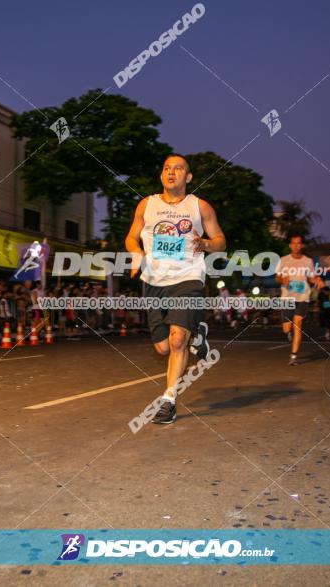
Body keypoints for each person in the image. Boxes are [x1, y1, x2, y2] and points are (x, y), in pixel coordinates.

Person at [125, 153, 226, 425]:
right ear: (161, 175)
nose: (172, 172)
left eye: (178, 169)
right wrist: (135, 253)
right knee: (162, 348)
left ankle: (168, 401)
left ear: (188, 177)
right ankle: (198, 333)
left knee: (177, 339)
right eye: (167, 168)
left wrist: (205, 244)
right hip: (154, 281)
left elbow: (220, 240)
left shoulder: (199, 207)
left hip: (188, 277)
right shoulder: (146, 205)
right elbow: (131, 237)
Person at [276, 235, 321, 366]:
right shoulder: (283, 260)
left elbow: (311, 278)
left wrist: (317, 280)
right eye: (293, 243)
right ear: (290, 245)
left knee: (297, 323)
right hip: (287, 297)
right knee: (286, 328)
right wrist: (282, 280)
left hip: (302, 297)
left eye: (299, 243)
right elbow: (277, 277)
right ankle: (288, 333)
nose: (296, 245)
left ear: (302, 246)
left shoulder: (308, 261)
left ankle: (293, 356)